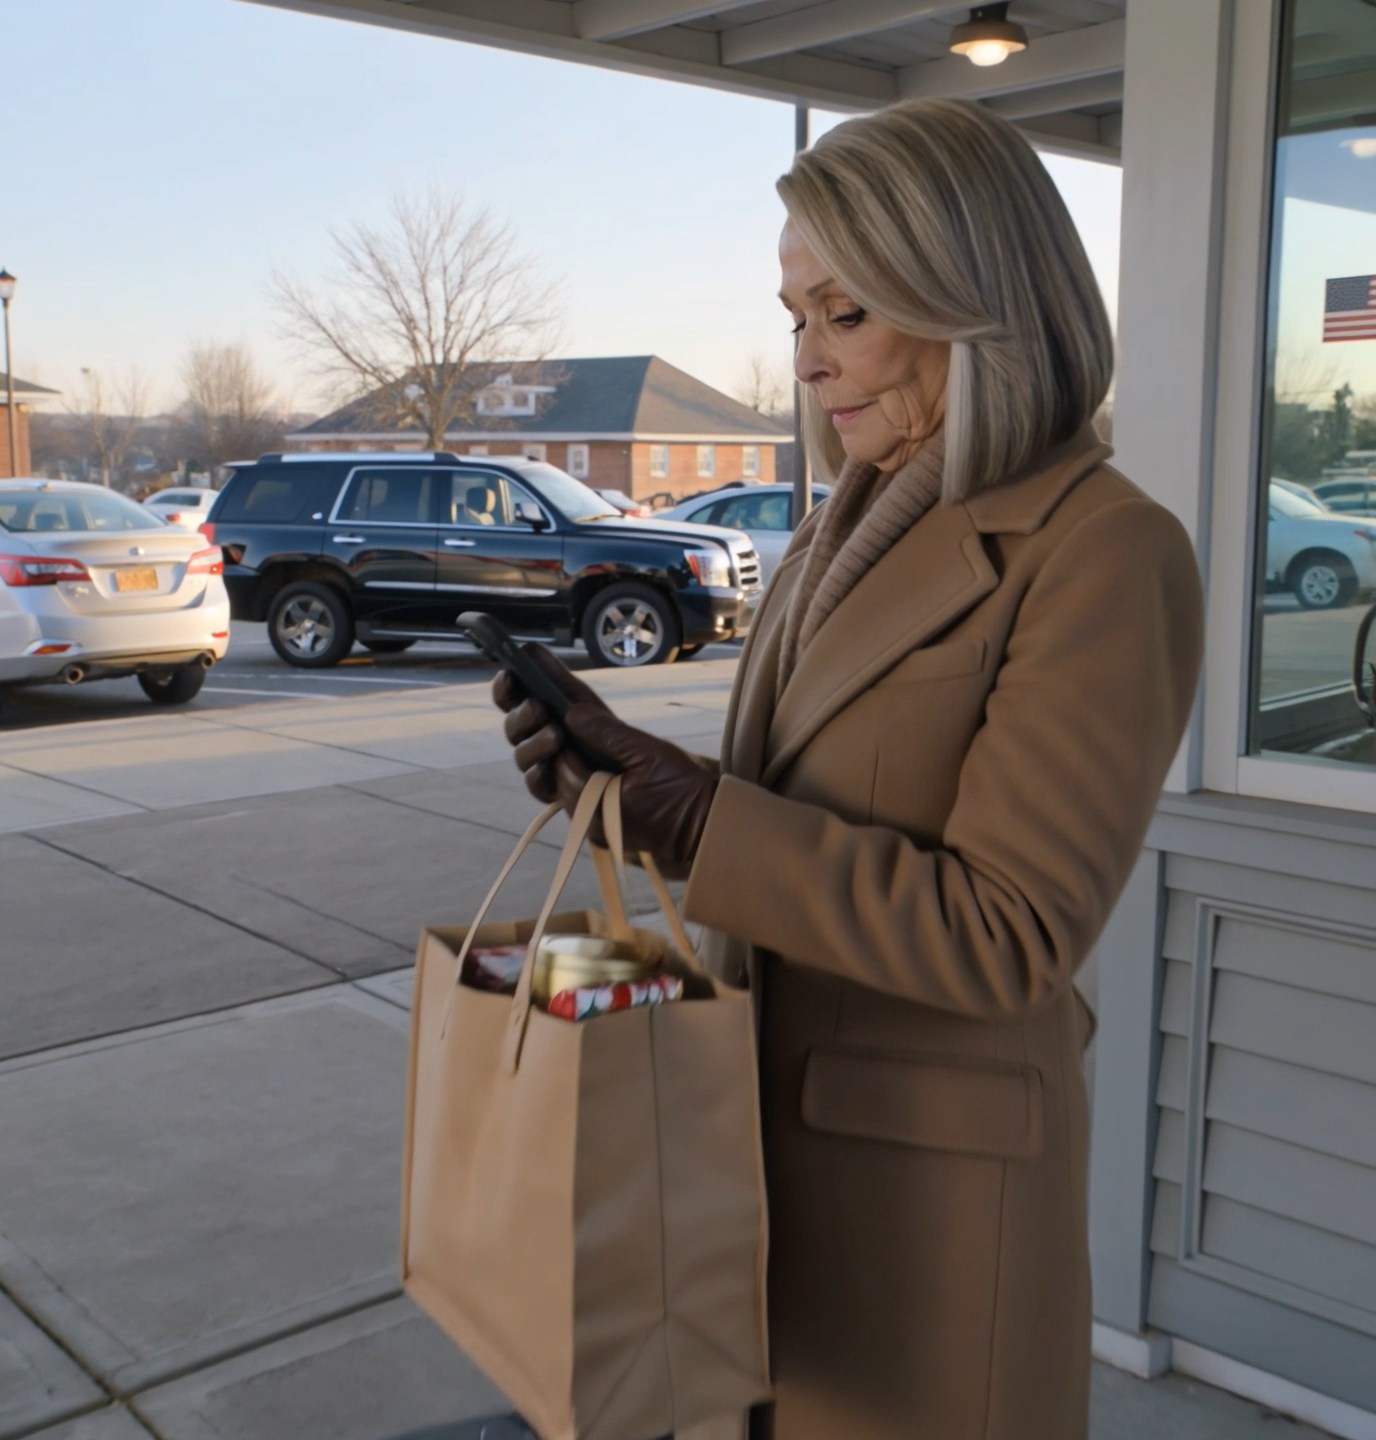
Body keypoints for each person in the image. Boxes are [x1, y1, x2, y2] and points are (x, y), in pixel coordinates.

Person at [492, 97, 1203, 1440]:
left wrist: (701, 819)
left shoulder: (1103, 551)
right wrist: (618, 786)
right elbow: (804, 823)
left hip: (927, 1214)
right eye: (795, 317)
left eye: (851, 313)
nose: (810, 362)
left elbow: (1009, 934)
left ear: (977, 300)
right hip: (752, 1167)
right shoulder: (843, 532)